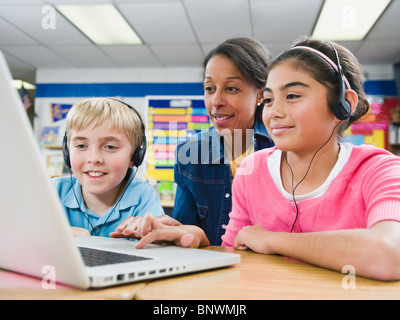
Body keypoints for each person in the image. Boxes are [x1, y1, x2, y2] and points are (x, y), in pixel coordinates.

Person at [221, 37, 400, 281]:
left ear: (343, 105)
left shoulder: (379, 170)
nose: (274, 112)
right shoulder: (251, 169)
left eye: (293, 95)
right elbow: (231, 257)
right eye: (269, 99)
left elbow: (389, 255)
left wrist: (273, 240)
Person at [112, 37, 274, 246]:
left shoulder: (284, 149)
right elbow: (186, 230)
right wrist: (170, 231)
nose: (216, 101)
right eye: (209, 88)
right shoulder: (190, 153)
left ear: (260, 94)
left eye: (231, 88)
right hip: (212, 270)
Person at [52, 98, 164, 237]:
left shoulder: (143, 196)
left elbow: (156, 249)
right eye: (81, 146)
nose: (94, 158)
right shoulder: (52, 191)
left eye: (110, 147)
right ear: (67, 152)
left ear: (134, 156)